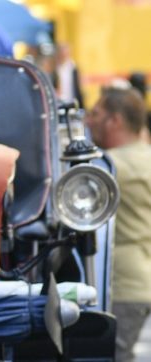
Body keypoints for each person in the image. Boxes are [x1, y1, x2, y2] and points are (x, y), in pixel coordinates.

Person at [85, 85, 151, 362]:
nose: (89, 120)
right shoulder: (145, 156)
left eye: (96, 113)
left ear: (116, 120)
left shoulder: (109, 167)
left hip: (123, 284)